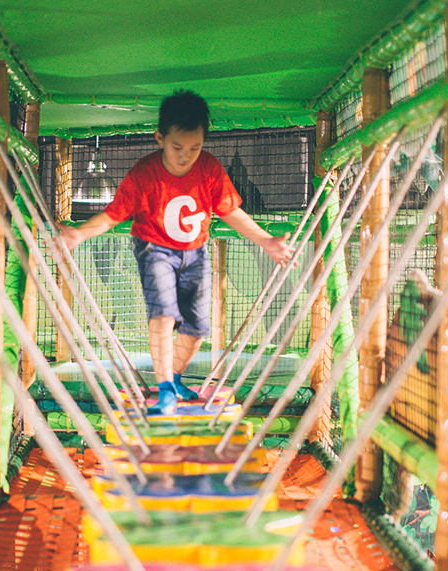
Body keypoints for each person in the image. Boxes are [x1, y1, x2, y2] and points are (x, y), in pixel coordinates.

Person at [57, 90, 295, 415]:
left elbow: (229, 210)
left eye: (194, 148)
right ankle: (166, 388)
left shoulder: (209, 169)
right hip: (154, 249)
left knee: (197, 330)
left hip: (195, 253)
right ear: (160, 138)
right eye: (177, 147)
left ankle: (173, 377)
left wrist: (267, 241)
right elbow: (115, 213)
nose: (185, 156)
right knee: (164, 315)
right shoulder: (145, 174)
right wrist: (80, 233)